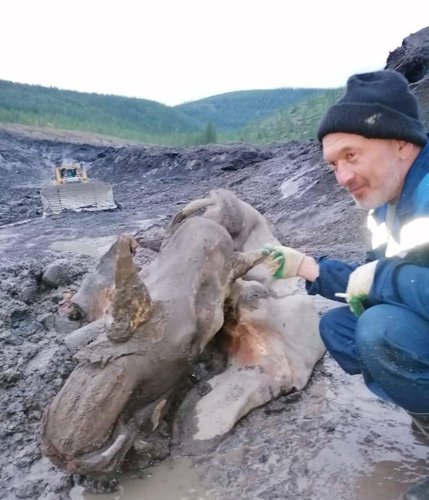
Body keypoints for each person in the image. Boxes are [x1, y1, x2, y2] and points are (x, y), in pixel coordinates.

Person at [263, 70, 429, 499]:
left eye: (352, 155)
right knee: (342, 328)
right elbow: (368, 283)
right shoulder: (386, 210)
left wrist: (382, 277)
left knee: (381, 330)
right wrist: (307, 268)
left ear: (400, 143)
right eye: (334, 164)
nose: (342, 177)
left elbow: (382, 281)